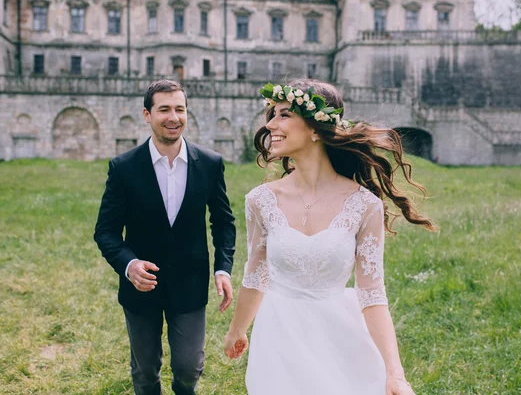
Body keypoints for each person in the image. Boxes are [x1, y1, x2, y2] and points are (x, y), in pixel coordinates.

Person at [223, 79, 436, 395]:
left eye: (283, 115)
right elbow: (255, 275)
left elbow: (372, 295)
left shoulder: (365, 205)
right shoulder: (260, 199)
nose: (270, 125)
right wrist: (237, 330)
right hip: (278, 338)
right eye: (271, 115)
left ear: (314, 127)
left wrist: (395, 373)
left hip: (339, 336)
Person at [94, 80, 236, 395]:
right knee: (145, 373)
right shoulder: (123, 167)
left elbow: (224, 222)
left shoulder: (210, 163)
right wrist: (128, 265)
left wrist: (223, 268)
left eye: (180, 109)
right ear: (147, 114)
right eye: (164, 109)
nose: (174, 117)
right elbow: (105, 230)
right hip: (140, 287)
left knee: (188, 370)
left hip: (190, 284)